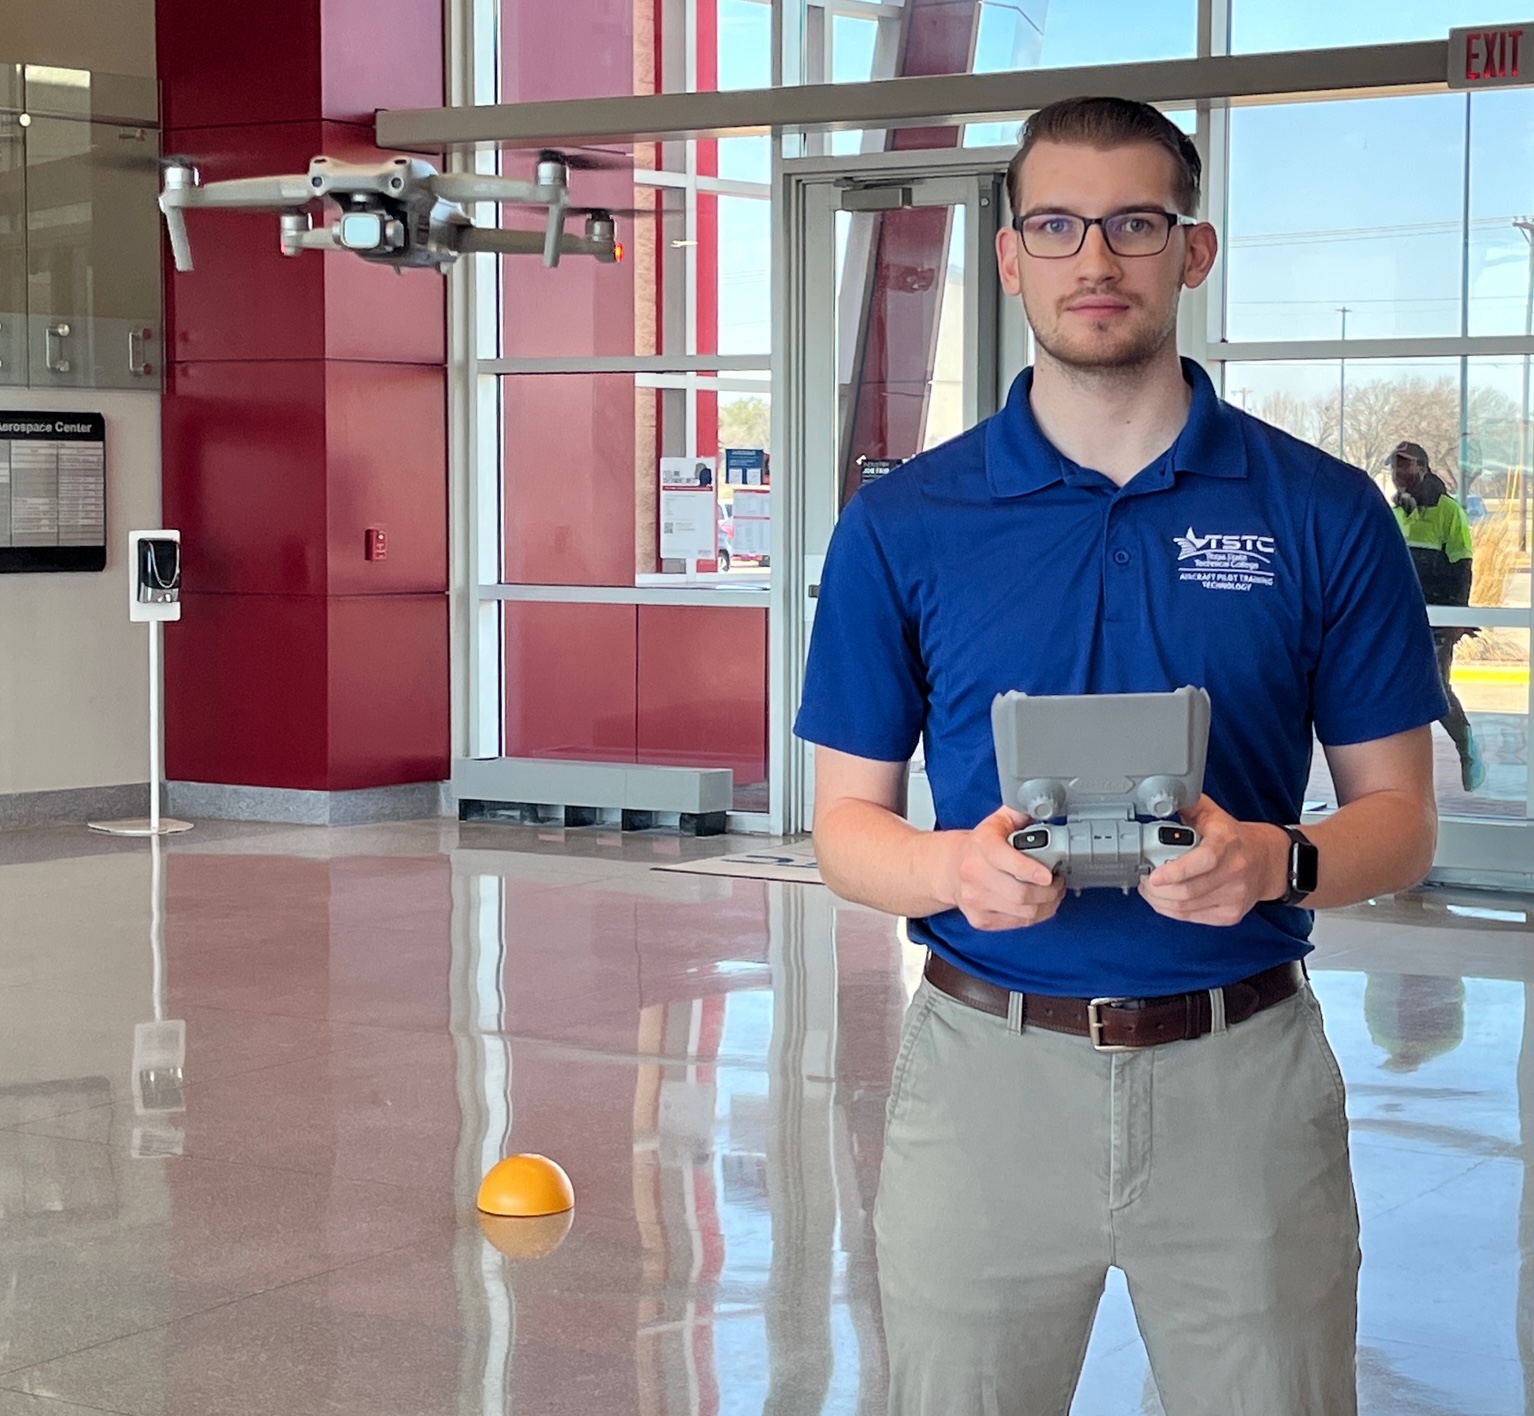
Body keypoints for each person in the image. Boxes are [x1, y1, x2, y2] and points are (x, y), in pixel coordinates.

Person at [794, 96, 1445, 1416]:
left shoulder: (1320, 512)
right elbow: (845, 828)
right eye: (1055, 225)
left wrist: (1275, 860)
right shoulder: (904, 523)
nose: (1093, 259)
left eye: (1133, 224)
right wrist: (952, 870)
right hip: (983, 1080)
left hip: (1243, 1084)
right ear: (1009, 257)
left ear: (1191, 251)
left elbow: (1401, 819)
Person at [1389, 439, 1485, 791]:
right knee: (1399, 686)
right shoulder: (1396, 511)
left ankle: (1466, 746)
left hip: (1440, 616)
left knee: (1437, 687)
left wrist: (1457, 616)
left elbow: (1463, 567)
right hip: (1403, 616)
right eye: (1395, 465)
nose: (1398, 471)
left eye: (1405, 464)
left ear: (1423, 468)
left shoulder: (1449, 511)